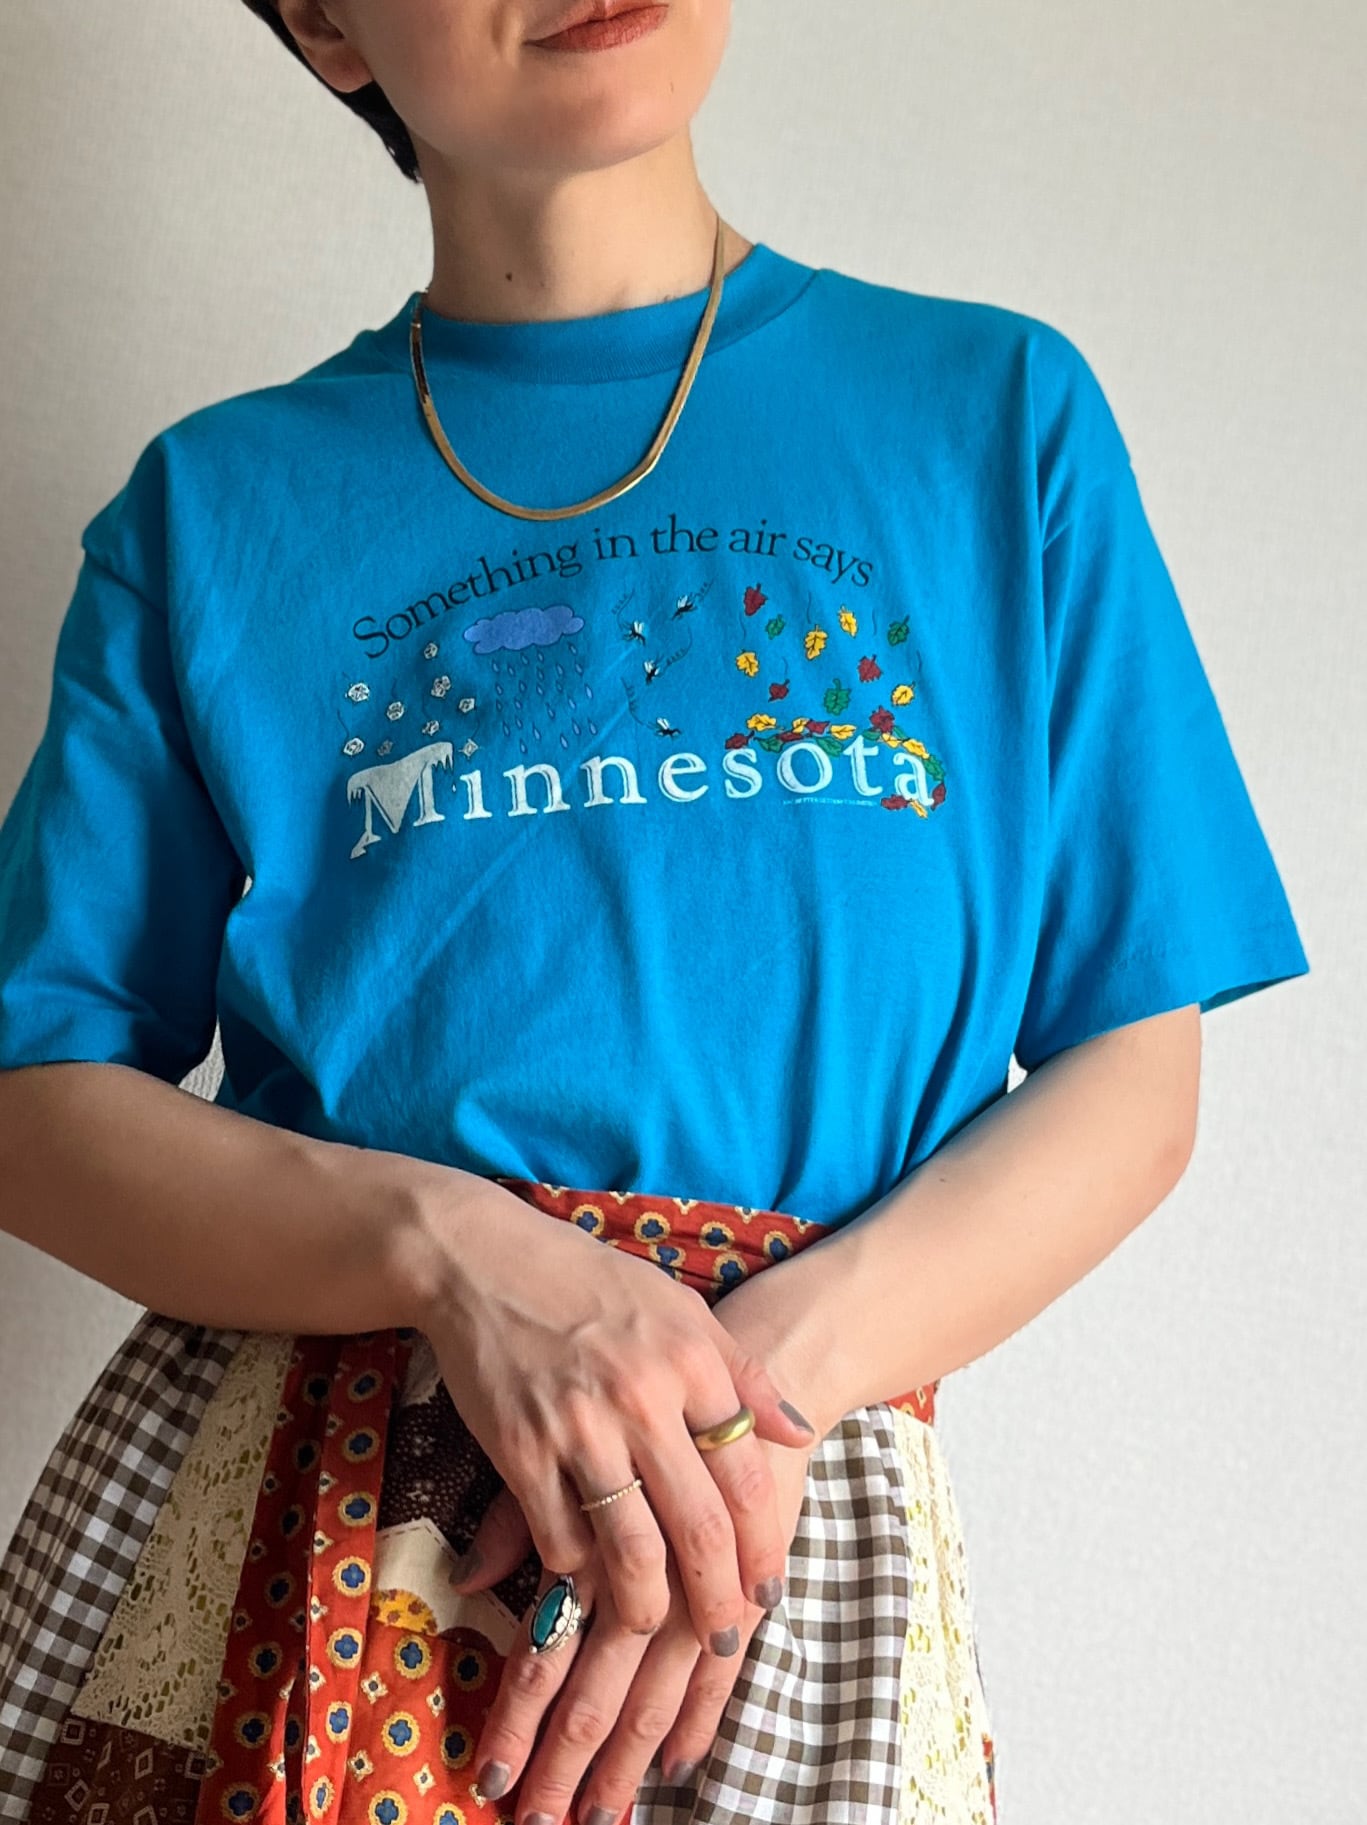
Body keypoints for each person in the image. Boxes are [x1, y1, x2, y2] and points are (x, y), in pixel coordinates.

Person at [0, 2, 1310, 1821]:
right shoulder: (214, 509)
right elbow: (38, 1103)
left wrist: (749, 1396)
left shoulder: (994, 423)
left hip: (786, 1533)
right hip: (307, 1531)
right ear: (326, 23)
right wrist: (461, 1258)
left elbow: (1134, 1071)